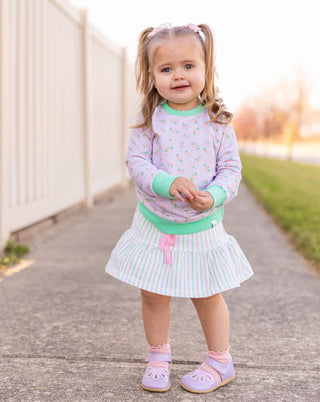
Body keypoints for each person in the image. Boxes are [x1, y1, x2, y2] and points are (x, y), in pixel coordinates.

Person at [105, 22, 253, 394]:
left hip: (200, 226)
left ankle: (220, 360)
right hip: (155, 225)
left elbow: (231, 170)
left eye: (188, 65)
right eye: (166, 69)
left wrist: (215, 196)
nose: (178, 75)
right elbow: (136, 163)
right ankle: (158, 356)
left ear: (206, 67)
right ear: (151, 75)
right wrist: (165, 182)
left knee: (206, 292)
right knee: (153, 293)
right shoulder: (149, 121)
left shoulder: (217, 122)